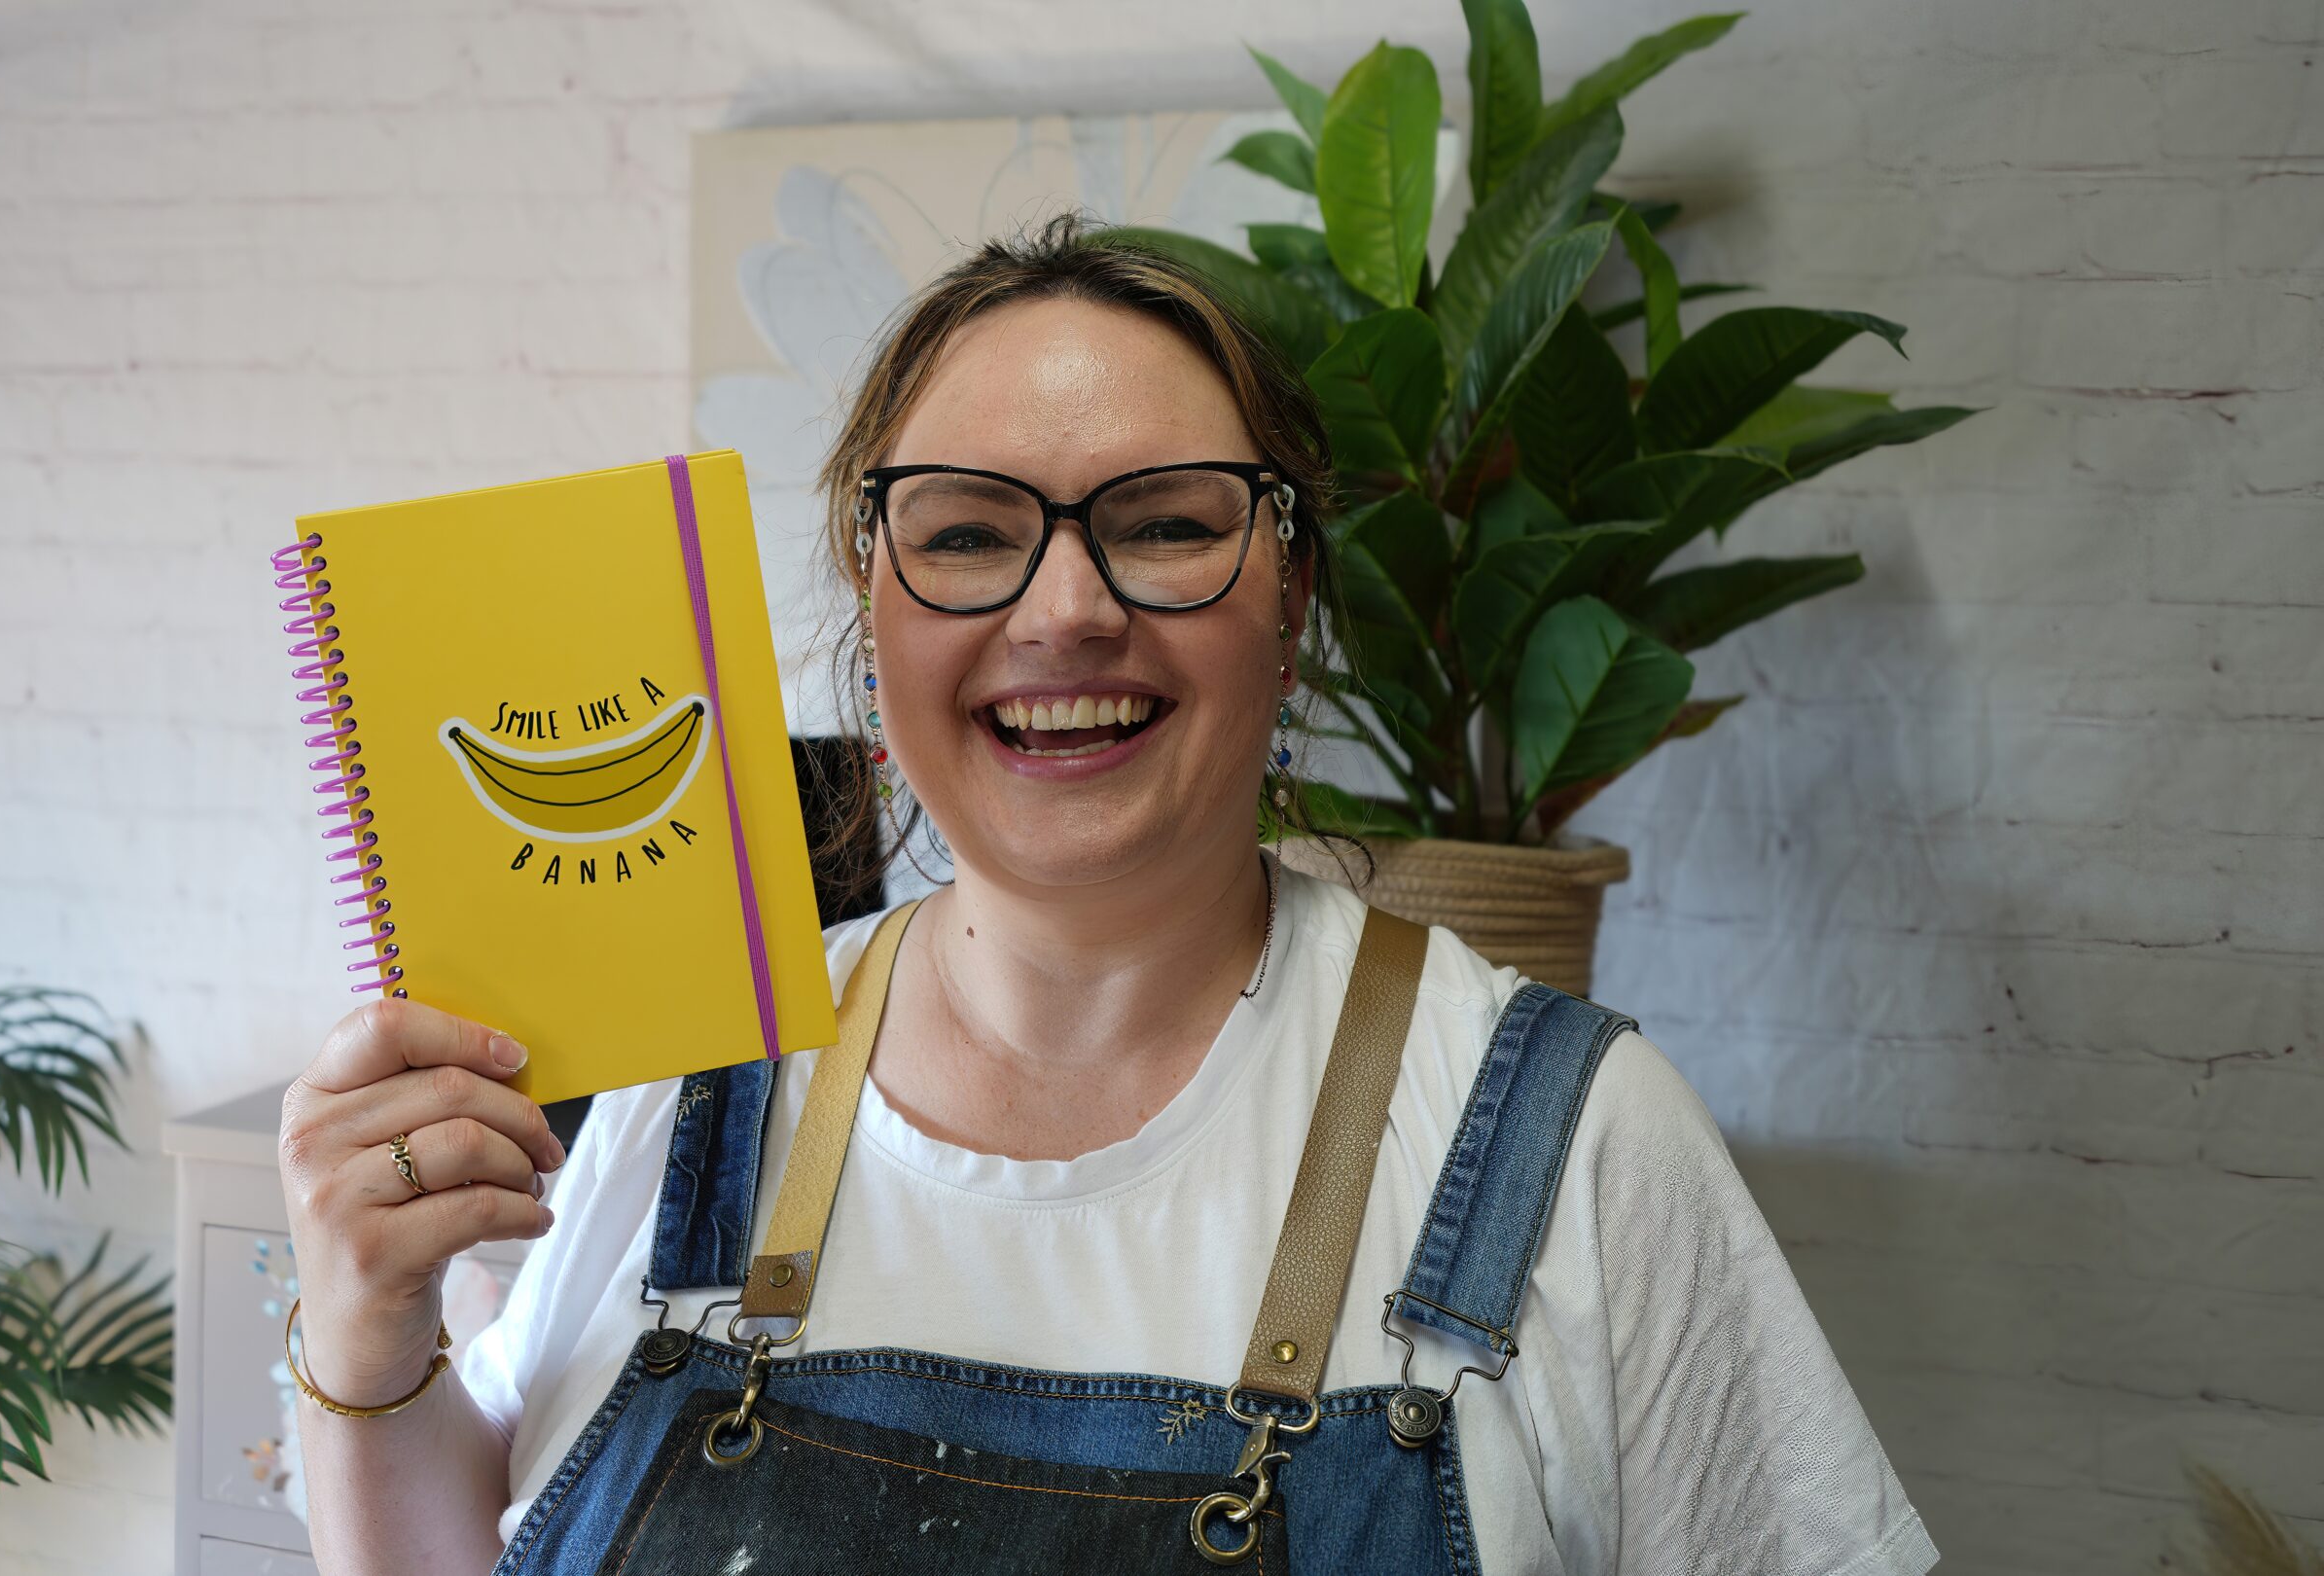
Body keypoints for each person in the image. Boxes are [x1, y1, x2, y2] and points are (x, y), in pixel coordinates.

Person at [277, 212, 1940, 1575]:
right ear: (877, 608)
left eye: (1161, 525)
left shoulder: (1575, 1147)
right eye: (967, 530)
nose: (1063, 608)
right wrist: (367, 1324)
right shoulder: (690, 1079)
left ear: (1292, 608)